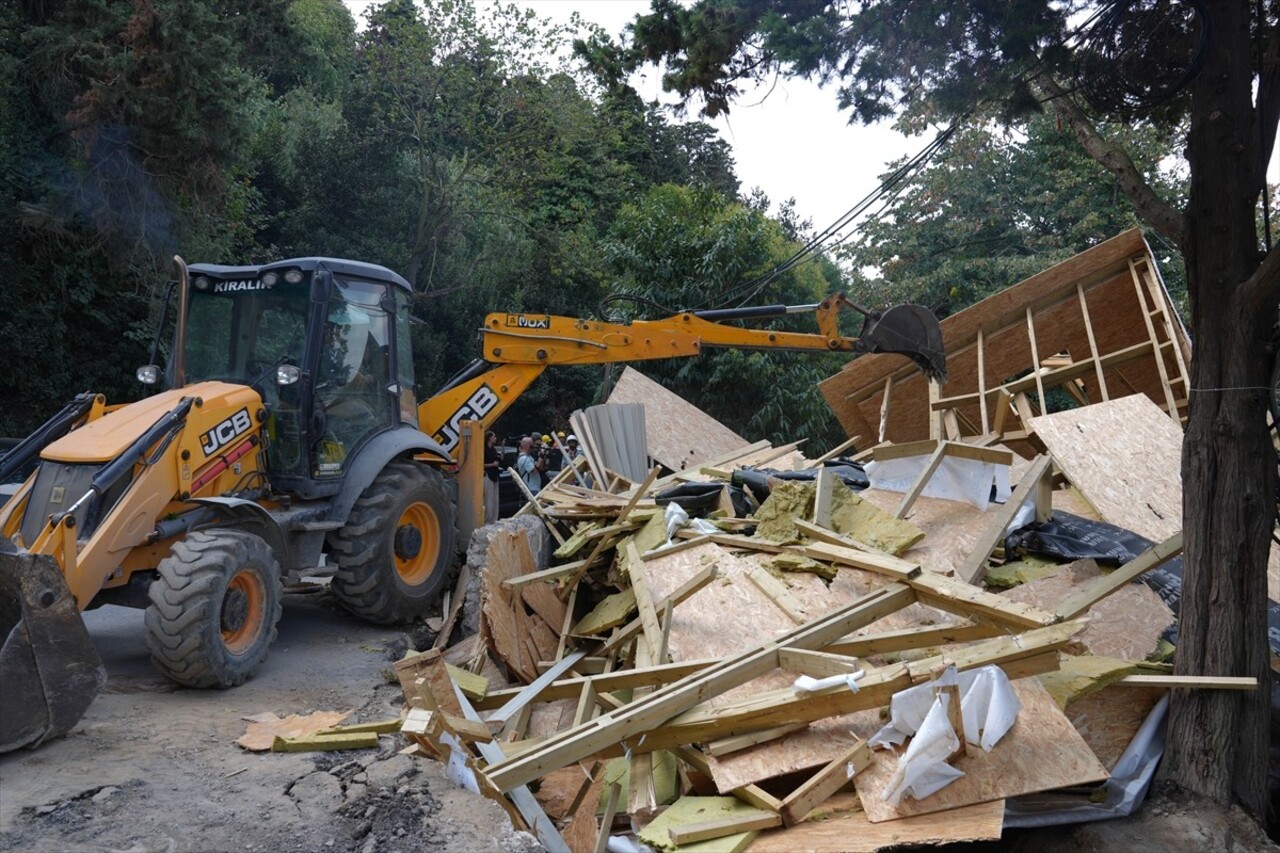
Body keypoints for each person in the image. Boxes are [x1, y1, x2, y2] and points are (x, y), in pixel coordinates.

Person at [483, 431, 501, 522]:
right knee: (488, 500)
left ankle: (494, 519)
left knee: (495, 499)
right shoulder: (484, 450)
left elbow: (499, 460)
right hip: (488, 475)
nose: (495, 438)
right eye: (494, 437)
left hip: (495, 475)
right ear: (489, 438)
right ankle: (487, 519)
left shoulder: (494, 450)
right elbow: (480, 464)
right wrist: (492, 465)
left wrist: (503, 447)